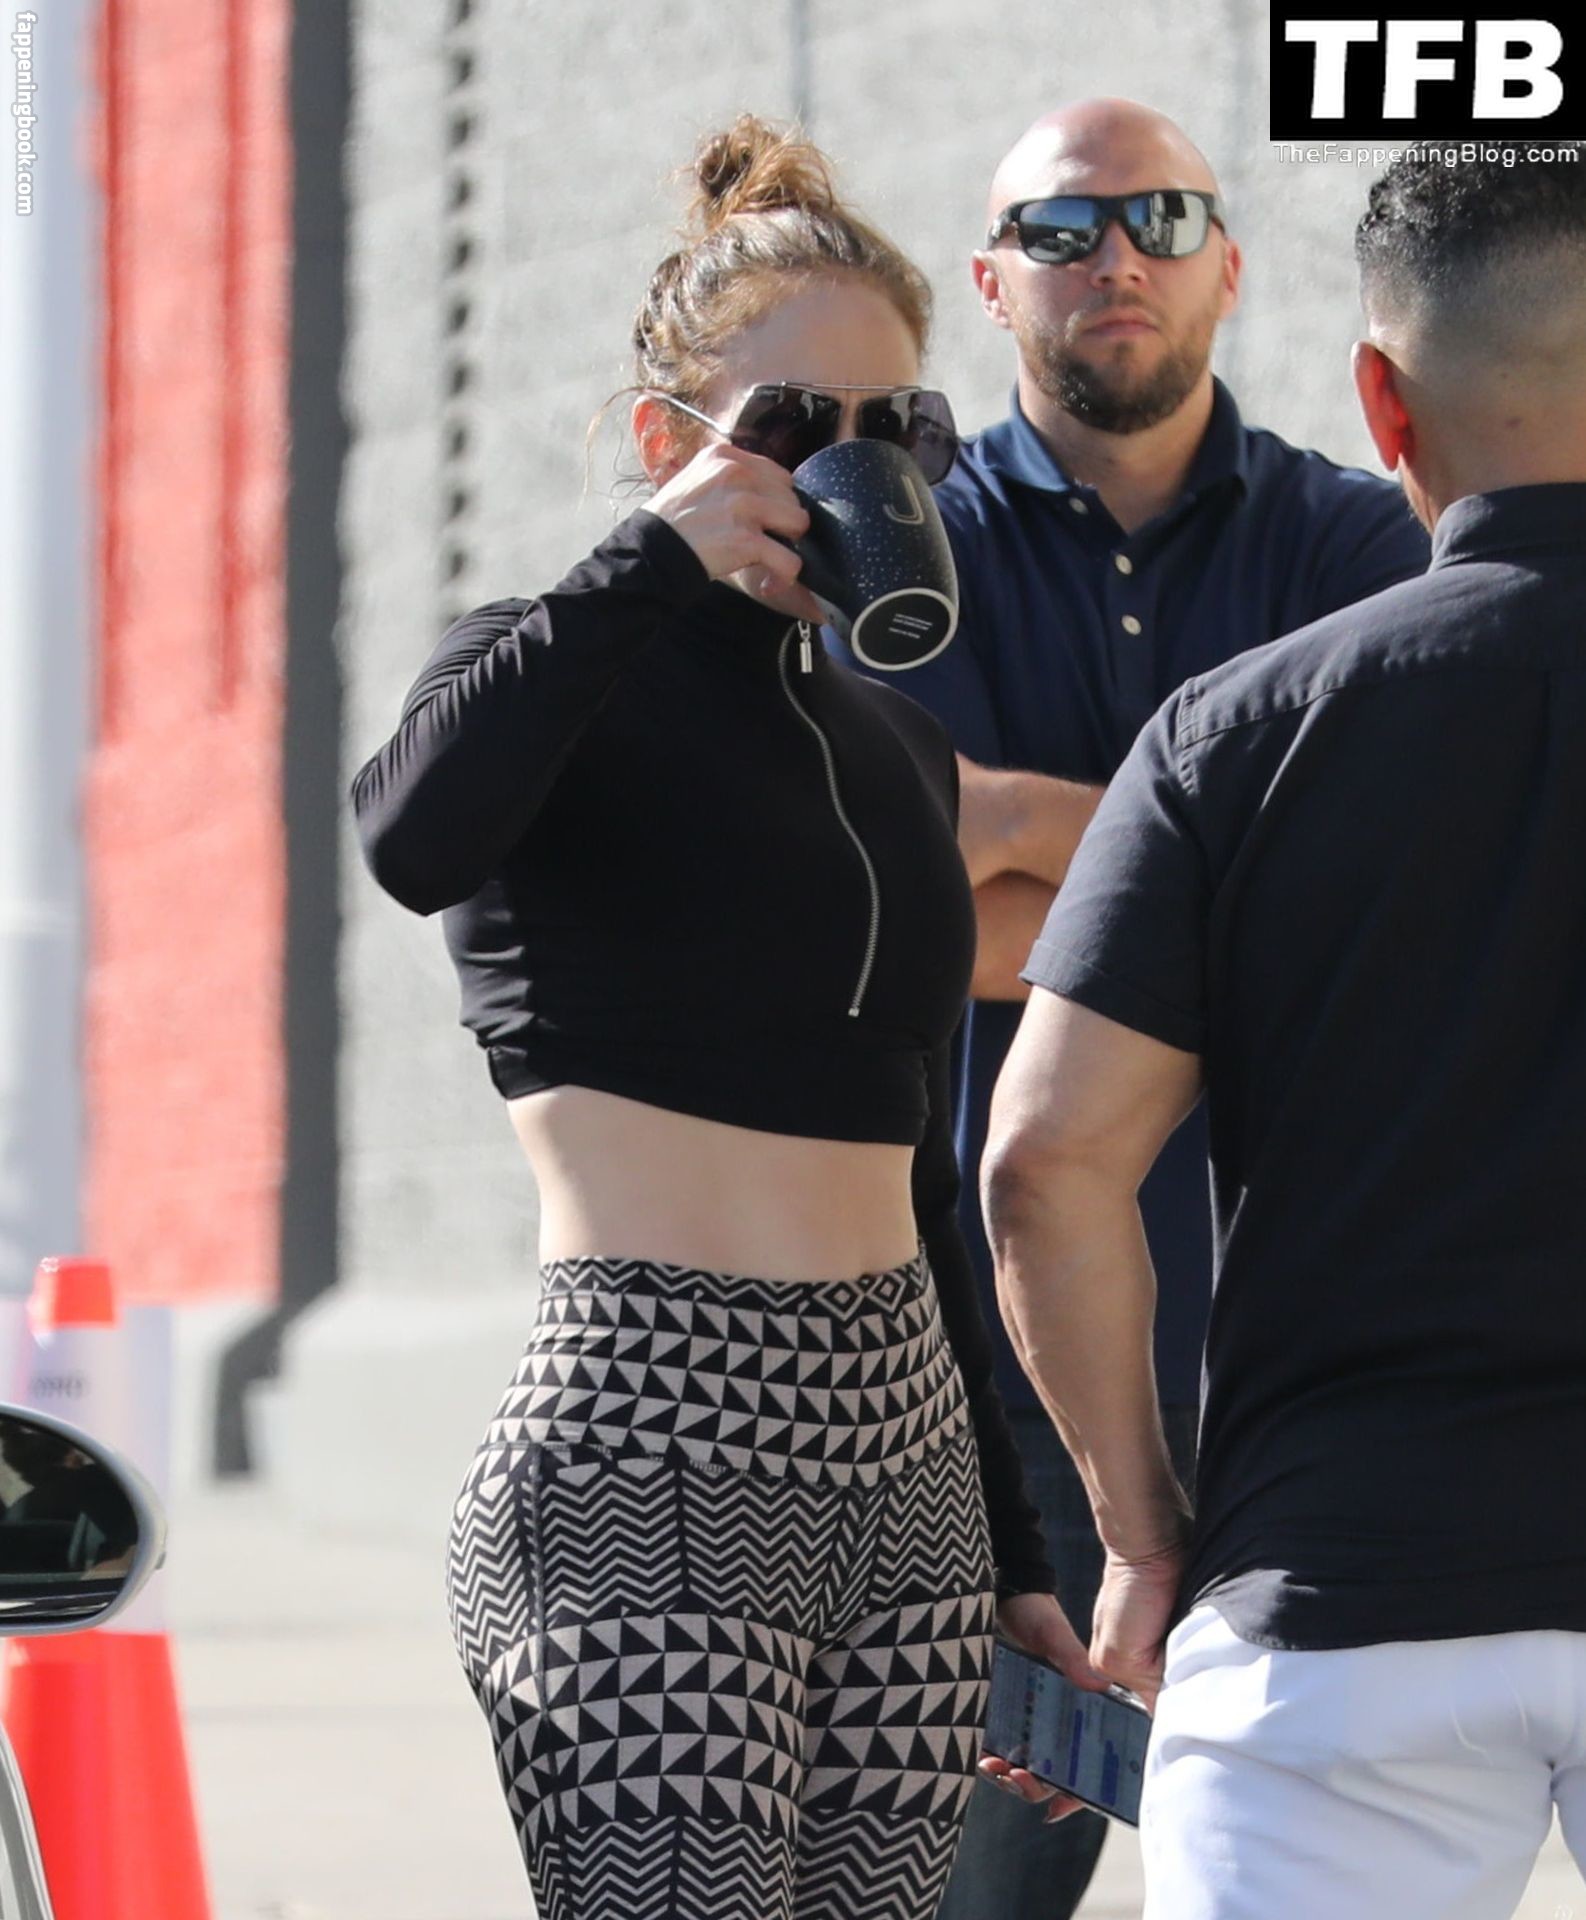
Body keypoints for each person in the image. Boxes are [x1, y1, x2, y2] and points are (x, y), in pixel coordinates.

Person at [349, 116, 1076, 1920]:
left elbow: (918, 1169)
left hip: (904, 1463)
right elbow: (409, 835)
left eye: (897, 428)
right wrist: (646, 563)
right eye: (796, 425)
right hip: (646, 1432)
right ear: (670, 438)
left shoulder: (897, 749)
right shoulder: (543, 665)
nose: (853, 468)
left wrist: (1008, 1541)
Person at [826, 96, 1431, 1918]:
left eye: (1161, 219)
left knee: (1310, 1878)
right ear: (991, 281)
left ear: (1229, 265)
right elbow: (878, 901)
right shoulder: (898, 555)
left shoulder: (1354, 548)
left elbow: (1360, 908)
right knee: (978, 1882)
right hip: (980, 1355)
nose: (1116, 259)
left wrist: (1010, 825)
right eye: (1063, 228)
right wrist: (1206, 883)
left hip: (1288, 1350)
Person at [980, 151, 1586, 1919]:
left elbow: (1045, 1161)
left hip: (1331, 1595)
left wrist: (1142, 1533)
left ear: (1380, 404)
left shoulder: (1231, 736)